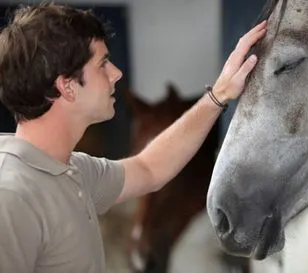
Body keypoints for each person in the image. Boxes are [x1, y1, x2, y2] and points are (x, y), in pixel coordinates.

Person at [0, 3, 266, 273]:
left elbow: (149, 168)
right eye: (102, 64)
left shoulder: (73, 170)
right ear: (67, 87)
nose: (116, 73)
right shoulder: (10, 195)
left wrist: (219, 94)